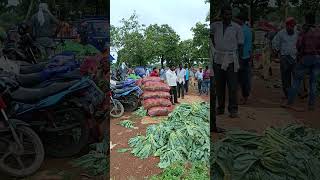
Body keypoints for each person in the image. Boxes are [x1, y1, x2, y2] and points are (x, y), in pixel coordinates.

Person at [211, 5, 244, 118]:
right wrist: (215, 48)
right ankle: (220, 108)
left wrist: (239, 61)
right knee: (219, 86)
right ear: (222, 15)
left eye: (229, 14)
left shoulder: (237, 27)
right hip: (218, 59)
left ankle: (233, 110)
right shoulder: (215, 26)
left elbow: (240, 45)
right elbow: (210, 36)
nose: (228, 16)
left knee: (233, 86)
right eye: (225, 14)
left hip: (231, 60)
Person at [283, 13, 320, 111]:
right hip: (317, 58)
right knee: (313, 83)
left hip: (305, 58)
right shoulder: (318, 31)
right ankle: (311, 105)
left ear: (306, 20)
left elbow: (298, 45)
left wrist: (300, 54)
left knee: (296, 80)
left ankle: (289, 102)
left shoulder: (304, 31)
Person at [272, 17, 299, 100]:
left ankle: (294, 93)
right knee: (285, 77)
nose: (292, 28)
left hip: (295, 57)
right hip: (284, 58)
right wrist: (276, 54)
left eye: (293, 26)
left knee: (296, 76)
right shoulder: (281, 34)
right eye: (290, 26)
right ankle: (287, 94)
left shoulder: (297, 33)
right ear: (286, 26)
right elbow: (275, 44)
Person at [235, 13, 253, 105]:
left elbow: (240, 45)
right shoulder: (248, 30)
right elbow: (250, 44)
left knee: (240, 79)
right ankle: (245, 96)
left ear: (240, 20)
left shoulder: (241, 30)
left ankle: (242, 97)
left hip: (241, 57)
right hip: (247, 56)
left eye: (236, 19)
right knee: (245, 78)